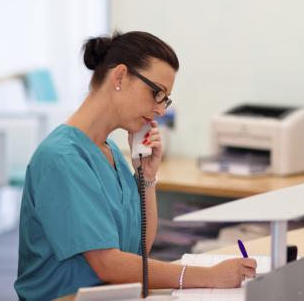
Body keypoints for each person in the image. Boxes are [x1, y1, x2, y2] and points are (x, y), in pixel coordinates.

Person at [14, 31, 257, 300]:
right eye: (157, 93)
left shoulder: (113, 154)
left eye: (165, 99)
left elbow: (139, 250)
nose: (161, 110)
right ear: (119, 77)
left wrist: (147, 177)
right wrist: (208, 276)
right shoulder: (61, 158)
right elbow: (108, 264)